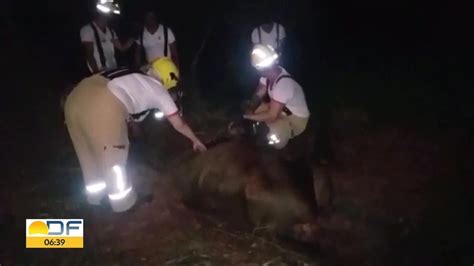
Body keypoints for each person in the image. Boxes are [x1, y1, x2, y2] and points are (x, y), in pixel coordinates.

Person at [64, 57, 206, 212]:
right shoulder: (158, 89)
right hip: (103, 100)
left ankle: (95, 199)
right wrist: (195, 140)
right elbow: (179, 124)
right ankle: (123, 204)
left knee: (88, 154)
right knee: (114, 155)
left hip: (74, 98)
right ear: (168, 79)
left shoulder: (133, 74)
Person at [242, 44, 310, 149]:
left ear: (260, 68)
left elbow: (272, 115)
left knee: (274, 136)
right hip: (283, 109)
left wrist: (248, 117)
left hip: (296, 120)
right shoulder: (271, 74)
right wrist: (250, 108)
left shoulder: (283, 84)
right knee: (253, 109)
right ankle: (263, 126)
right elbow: (258, 94)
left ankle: (282, 137)